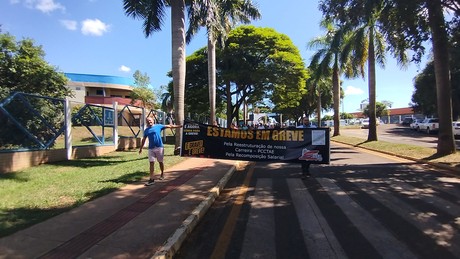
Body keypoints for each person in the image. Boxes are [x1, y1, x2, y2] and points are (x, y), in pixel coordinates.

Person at [139, 116, 182, 186]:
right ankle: (151, 179)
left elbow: (169, 126)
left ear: (153, 121)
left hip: (159, 147)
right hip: (151, 148)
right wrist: (141, 148)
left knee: (160, 162)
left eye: (150, 120)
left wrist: (179, 126)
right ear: (146, 122)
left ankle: (162, 173)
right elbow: (143, 140)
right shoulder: (146, 130)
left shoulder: (159, 126)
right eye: (147, 121)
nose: (149, 122)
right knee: (151, 163)